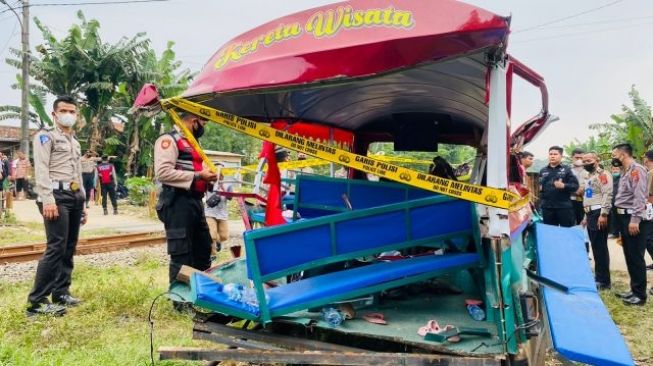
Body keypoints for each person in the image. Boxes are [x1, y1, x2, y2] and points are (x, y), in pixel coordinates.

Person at [26, 95, 87, 316]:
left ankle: (61, 292)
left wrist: (84, 202)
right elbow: (41, 169)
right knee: (56, 247)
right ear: (54, 114)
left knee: (69, 246)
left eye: (72, 111)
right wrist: (47, 199)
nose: (68, 115)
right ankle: (37, 302)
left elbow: (77, 172)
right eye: (64, 111)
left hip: (73, 196)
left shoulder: (75, 142)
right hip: (55, 196)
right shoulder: (45, 137)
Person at [154, 110, 216, 309]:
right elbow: (163, 173)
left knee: (203, 248)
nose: (204, 127)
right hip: (177, 201)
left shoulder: (193, 143)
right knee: (181, 252)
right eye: (203, 122)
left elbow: (195, 170)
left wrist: (209, 179)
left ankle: (199, 295)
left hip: (195, 202)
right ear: (193, 120)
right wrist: (199, 176)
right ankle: (180, 302)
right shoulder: (168, 140)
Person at [612, 143, 648, 305]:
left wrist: (635, 220)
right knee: (629, 255)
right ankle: (634, 290)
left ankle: (640, 296)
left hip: (633, 219)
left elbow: (640, 197)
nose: (613, 159)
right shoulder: (626, 172)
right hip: (623, 218)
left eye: (614, 155)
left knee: (636, 257)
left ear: (623, 155)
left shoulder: (636, 170)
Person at [580, 152, 612, 290]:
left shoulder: (603, 174)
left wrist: (604, 214)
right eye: (584, 161)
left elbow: (607, 193)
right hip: (591, 214)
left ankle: (604, 281)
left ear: (597, 160)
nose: (586, 162)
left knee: (600, 247)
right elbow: (589, 197)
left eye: (589, 160)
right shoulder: (588, 176)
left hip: (599, 213)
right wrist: (586, 215)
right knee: (596, 246)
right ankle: (600, 277)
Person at [538, 146, 579, 227]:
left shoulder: (567, 170)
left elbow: (575, 186)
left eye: (555, 154)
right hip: (547, 208)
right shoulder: (543, 170)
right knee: (551, 233)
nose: (552, 156)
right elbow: (540, 187)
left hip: (563, 207)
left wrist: (564, 185)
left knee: (567, 232)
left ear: (561, 156)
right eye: (550, 154)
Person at [205, 173, 232, 257]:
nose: (217, 175)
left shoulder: (228, 184)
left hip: (222, 213)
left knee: (224, 236)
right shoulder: (208, 183)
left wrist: (222, 187)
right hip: (209, 212)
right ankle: (213, 255)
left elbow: (230, 197)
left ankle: (218, 242)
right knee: (211, 235)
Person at [642, 150, 653, 270]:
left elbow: (650, 194)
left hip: (651, 208)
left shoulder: (650, 173)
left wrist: (648, 212)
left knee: (648, 237)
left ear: (647, 159)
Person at [570, 148, 586, 226]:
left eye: (581, 158)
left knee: (583, 223)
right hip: (569, 201)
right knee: (570, 224)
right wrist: (574, 190)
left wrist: (583, 189)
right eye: (577, 158)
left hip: (584, 201)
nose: (579, 160)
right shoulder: (567, 170)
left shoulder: (588, 170)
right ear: (572, 158)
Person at [609, 164, 622, 238]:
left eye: (616, 169)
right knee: (614, 217)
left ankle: (623, 233)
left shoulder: (622, 178)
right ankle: (615, 233)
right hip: (612, 201)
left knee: (622, 218)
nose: (615, 170)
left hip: (621, 202)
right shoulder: (610, 178)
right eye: (613, 169)